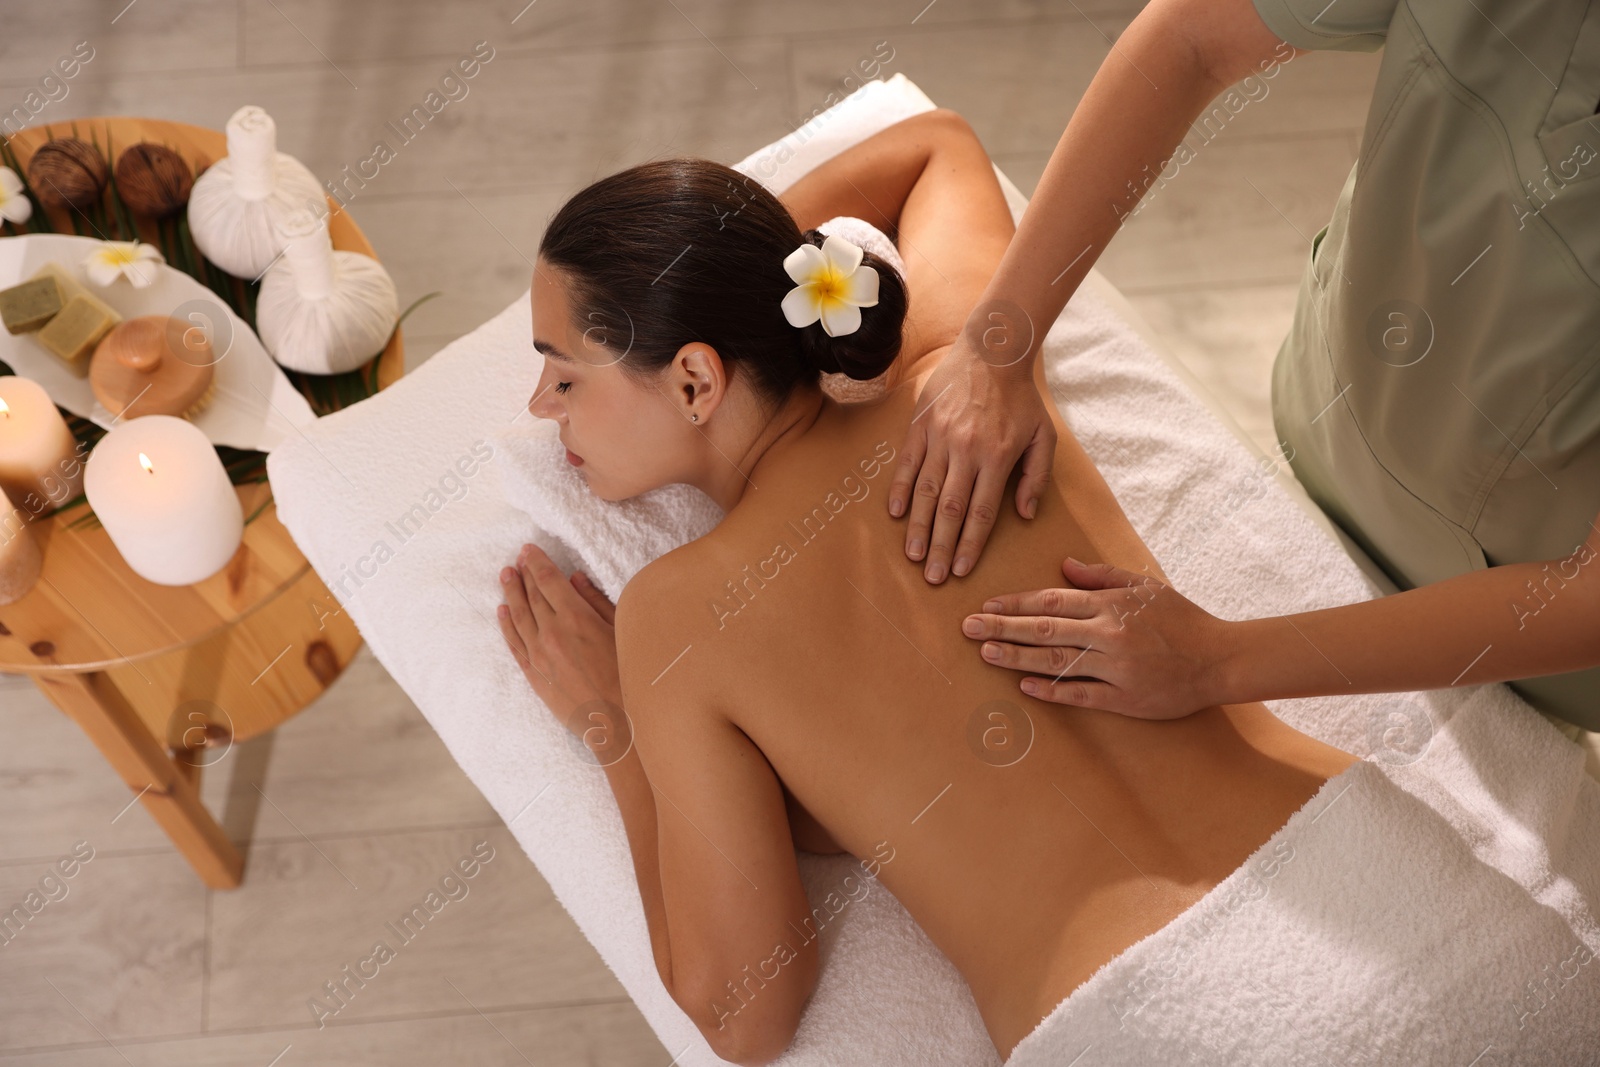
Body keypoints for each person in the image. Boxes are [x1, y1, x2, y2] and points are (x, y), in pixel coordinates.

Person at [493, 109, 1358, 1062]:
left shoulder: (676, 620)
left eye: (564, 378)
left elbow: (743, 1014)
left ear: (696, 380)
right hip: (1366, 872)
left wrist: (617, 730)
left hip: (1167, 1027)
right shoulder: (968, 384)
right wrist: (718, 286)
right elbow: (937, 145)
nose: (541, 409)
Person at [891, 0, 1600, 758]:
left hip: (1533, 610)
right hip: (1331, 415)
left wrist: (1214, 660)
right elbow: (1193, 39)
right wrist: (999, 347)